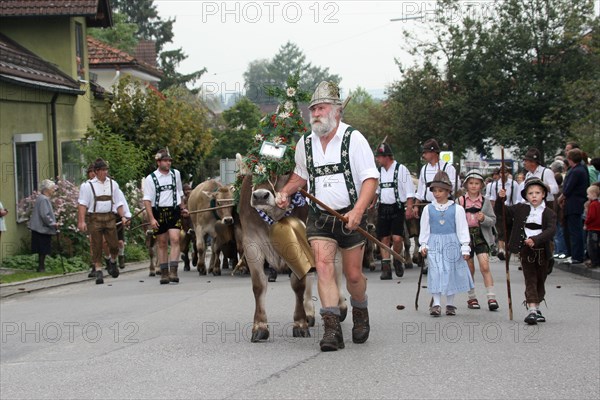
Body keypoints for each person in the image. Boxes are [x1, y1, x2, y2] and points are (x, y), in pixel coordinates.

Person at [276, 81, 379, 352]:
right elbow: (300, 175)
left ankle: (360, 312)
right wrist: (287, 191)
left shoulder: (353, 139)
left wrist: (358, 211)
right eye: (313, 110)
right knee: (323, 268)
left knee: (353, 275)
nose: (315, 114)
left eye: (321, 108)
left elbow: (370, 178)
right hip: (320, 218)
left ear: (336, 111)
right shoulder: (305, 143)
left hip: (350, 217)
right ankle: (331, 329)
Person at [495, 178, 556, 325]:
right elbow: (502, 213)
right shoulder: (521, 208)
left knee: (541, 279)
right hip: (526, 249)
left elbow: (551, 230)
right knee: (530, 278)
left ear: (543, 195)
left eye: (537, 193)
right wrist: (500, 199)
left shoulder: (548, 212)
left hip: (543, 250)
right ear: (526, 196)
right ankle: (532, 309)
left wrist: (536, 239)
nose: (534, 196)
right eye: (530, 193)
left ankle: (537, 305)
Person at [418, 171, 474, 317]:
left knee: (450, 271)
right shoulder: (428, 209)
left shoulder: (457, 209)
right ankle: (436, 304)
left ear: (448, 191)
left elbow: (462, 229)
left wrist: (465, 247)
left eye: (440, 190)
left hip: (452, 243)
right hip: (434, 242)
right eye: (435, 191)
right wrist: (423, 244)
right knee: (436, 271)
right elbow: (425, 229)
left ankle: (450, 303)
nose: (437, 194)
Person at [78, 159, 126, 284]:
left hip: (110, 217)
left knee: (114, 245)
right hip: (95, 218)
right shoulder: (87, 186)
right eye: (103, 170)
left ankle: (113, 261)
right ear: (97, 171)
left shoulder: (113, 184)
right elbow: (82, 204)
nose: (105, 172)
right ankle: (99, 270)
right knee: (97, 245)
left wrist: (123, 216)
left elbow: (119, 202)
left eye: (106, 170)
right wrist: (82, 221)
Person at [457, 170, 498, 311]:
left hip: (481, 236)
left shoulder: (485, 202)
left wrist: (484, 219)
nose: (474, 186)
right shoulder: (460, 201)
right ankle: (472, 297)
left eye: (477, 183)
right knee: (470, 268)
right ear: (466, 185)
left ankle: (491, 296)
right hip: (466, 237)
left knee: (485, 266)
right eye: (471, 183)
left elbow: (493, 220)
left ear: (481, 185)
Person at [143, 149, 186, 285]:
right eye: (166, 161)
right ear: (158, 162)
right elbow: (147, 200)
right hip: (158, 212)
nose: (168, 163)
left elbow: (179, 192)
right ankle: (164, 273)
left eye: (170, 161)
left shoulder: (176, 174)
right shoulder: (151, 178)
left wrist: (183, 208)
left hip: (173, 211)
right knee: (161, 243)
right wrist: (151, 218)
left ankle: (173, 270)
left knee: (175, 239)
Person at [373, 140, 415, 279]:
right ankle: (386, 268)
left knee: (397, 238)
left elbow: (409, 192)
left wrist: (409, 208)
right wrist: (371, 204)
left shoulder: (401, 169)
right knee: (383, 238)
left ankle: (397, 259)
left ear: (387, 156)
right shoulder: (378, 172)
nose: (377, 159)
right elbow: (377, 191)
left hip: (397, 207)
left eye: (379, 157)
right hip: (383, 207)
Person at [560, 149, 589, 264]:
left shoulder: (576, 171)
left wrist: (561, 197)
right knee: (573, 230)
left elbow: (568, 187)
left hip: (574, 204)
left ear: (570, 158)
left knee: (575, 231)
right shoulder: (581, 169)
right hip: (576, 203)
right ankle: (574, 254)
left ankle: (577, 255)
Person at [487, 168, 520, 261]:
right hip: (499, 209)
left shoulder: (514, 184)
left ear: (508, 173)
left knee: (510, 230)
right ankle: (501, 250)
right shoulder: (495, 185)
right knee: (500, 230)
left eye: (504, 172)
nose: (502, 174)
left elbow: (517, 198)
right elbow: (492, 198)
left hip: (511, 209)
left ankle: (508, 249)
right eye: (501, 172)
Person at [28, 179, 58, 272]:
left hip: (39, 227)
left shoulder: (41, 198)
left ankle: (41, 267)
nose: (54, 190)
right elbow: (45, 214)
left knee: (42, 249)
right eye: (52, 188)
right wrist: (53, 223)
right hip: (42, 228)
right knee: (43, 248)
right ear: (47, 189)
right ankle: (41, 267)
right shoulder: (44, 199)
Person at [584, 185, 600, 269]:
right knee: (597, 245)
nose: (587, 196)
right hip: (598, 227)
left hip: (592, 228)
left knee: (592, 246)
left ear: (593, 194)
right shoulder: (598, 204)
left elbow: (591, 216)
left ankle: (594, 262)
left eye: (588, 194)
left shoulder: (593, 205)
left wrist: (586, 223)